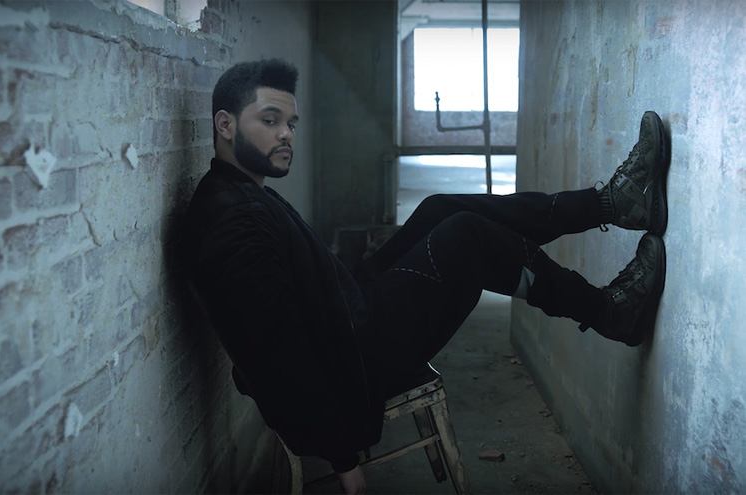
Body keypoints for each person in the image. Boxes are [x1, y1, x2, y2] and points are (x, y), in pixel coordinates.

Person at [182, 58, 669, 494]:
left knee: (438, 208)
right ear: (225, 124)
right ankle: (607, 310)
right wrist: (342, 456)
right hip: (356, 360)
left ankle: (611, 204)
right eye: (270, 121)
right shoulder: (233, 224)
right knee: (467, 236)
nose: (287, 134)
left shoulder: (239, 193)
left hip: (347, 312)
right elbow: (273, 355)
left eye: (290, 123)